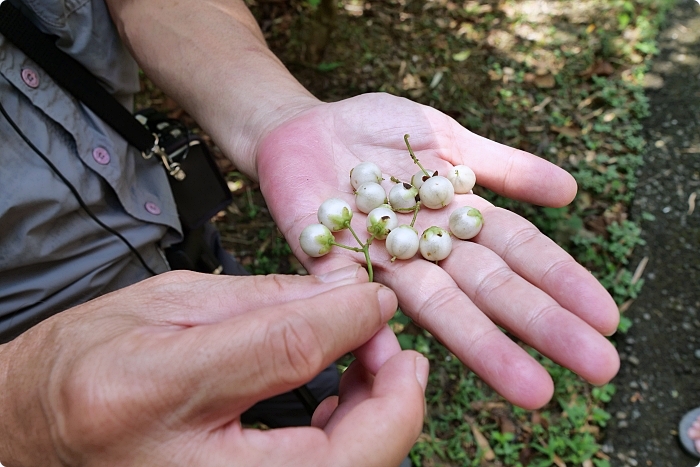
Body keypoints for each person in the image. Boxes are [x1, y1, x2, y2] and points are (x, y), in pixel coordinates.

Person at [0, 0, 621, 465]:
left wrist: (279, 116)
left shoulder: (380, 211)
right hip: (23, 338)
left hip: (181, 250)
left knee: (332, 387)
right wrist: (24, 412)